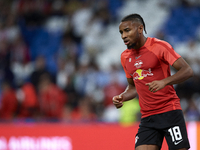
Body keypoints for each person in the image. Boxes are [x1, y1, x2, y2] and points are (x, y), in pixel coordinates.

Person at [112, 13, 193, 150]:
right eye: (121, 32)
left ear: (140, 28)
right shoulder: (125, 57)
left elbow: (187, 70)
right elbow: (133, 87)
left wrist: (164, 82)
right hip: (148, 118)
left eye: (127, 30)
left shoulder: (159, 46)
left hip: (169, 112)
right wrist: (122, 97)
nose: (123, 36)